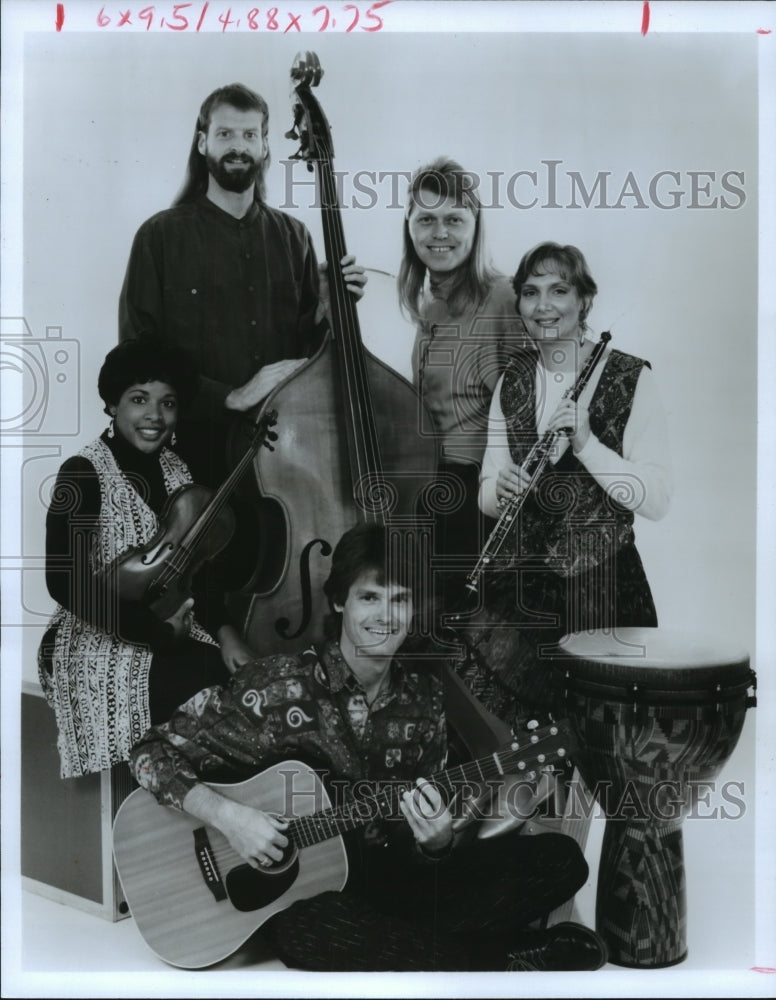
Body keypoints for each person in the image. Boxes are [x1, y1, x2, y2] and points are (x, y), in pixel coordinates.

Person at [130, 522, 607, 972]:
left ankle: (420, 953)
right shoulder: (275, 688)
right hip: (316, 903)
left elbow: (419, 845)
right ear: (339, 602)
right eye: (369, 597)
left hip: (386, 883)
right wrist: (233, 820)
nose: (385, 616)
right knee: (308, 930)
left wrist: (437, 844)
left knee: (561, 859)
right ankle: (500, 961)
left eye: (400, 599)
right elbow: (149, 753)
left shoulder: (425, 702)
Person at [118, 82, 366, 492]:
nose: (239, 146)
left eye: (250, 135)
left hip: (285, 458)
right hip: (190, 464)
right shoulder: (159, 236)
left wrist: (327, 310)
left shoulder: (295, 237)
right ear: (202, 143)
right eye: (225, 134)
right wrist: (229, 396)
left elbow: (311, 360)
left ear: (265, 147)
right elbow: (136, 358)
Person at [462, 241, 673, 722]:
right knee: (500, 730)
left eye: (559, 290)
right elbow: (487, 489)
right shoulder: (512, 380)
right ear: (518, 305)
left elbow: (657, 500)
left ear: (584, 301)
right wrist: (500, 489)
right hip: (522, 591)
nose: (544, 305)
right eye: (531, 292)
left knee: (594, 741)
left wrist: (587, 445)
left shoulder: (631, 378)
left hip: (605, 587)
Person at [38, 340, 255, 779]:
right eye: (139, 399)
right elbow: (65, 583)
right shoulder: (82, 472)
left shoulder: (180, 471)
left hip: (166, 624)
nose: (154, 416)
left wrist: (228, 632)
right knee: (203, 686)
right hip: (96, 630)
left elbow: (195, 572)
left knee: (236, 681)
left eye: (167, 403)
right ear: (112, 404)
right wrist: (153, 633)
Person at [398, 157, 526, 607]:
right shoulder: (429, 303)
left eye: (454, 219)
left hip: (474, 501)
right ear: (408, 226)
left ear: (476, 226)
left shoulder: (505, 296)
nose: (440, 233)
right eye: (426, 219)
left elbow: (531, 411)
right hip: (431, 494)